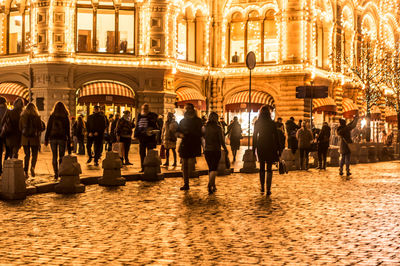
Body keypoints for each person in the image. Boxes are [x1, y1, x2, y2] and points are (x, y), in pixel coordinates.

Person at [253, 105, 281, 196]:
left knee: (261, 167)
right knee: (269, 168)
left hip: (261, 145)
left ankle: (262, 187)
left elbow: (254, 136)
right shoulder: (272, 123)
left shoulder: (257, 123)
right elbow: (276, 137)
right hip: (270, 145)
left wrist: (254, 149)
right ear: (269, 113)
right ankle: (268, 189)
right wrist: (278, 149)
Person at [177, 103, 203, 190]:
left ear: (193, 110)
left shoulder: (198, 121)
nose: (187, 110)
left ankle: (191, 181)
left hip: (194, 144)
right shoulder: (183, 121)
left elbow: (201, 133)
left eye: (189, 109)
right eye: (186, 109)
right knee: (184, 164)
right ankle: (186, 184)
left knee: (191, 164)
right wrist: (180, 135)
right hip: (185, 144)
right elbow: (178, 132)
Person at [44, 102, 71, 180]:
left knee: (54, 156)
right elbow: (67, 129)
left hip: (53, 138)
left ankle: (55, 173)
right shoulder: (65, 117)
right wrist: (69, 139)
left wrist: (46, 139)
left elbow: (48, 128)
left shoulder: (52, 116)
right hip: (62, 138)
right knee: (61, 156)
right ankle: (60, 172)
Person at [203, 112, 228, 194]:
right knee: (214, 168)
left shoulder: (205, 127)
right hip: (216, 150)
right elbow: (221, 141)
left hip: (207, 150)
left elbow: (203, 137)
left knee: (210, 168)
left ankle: (213, 185)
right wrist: (225, 149)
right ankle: (210, 184)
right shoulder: (218, 128)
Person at [19, 103, 45, 178]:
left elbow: (20, 128)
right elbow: (40, 128)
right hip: (34, 139)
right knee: (34, 155)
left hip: (25, 139)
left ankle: (26, 171)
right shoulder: (37, 116)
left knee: (27, 155)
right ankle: (32, 167)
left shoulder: (22, 116)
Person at [134, 104, 159, 172]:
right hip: (142, 138)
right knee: (142, 153)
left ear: (148, 109)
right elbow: (138, 125)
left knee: (150, 153)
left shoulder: (152, 116)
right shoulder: (140, 116)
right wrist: (136, 134)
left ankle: (150, 167)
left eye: (146, 109)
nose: (144, 110)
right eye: (143, 109)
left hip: (150, 138)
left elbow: (154, 123)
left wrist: (148, 117)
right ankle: (143, 167)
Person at [0, 96, 8, 175]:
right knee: (8, 151)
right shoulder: (7, 111)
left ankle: (0, 169)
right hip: (7, 133)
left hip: (0, 133)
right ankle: (6, 166)